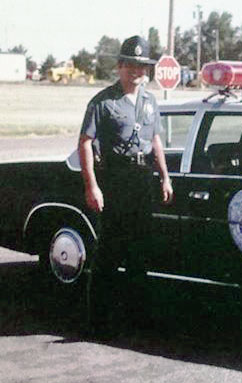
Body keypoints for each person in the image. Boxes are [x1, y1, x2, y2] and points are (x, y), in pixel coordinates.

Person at [78, 35, 173, 335]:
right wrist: (92, 186)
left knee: (139, 251)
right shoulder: (102, 102)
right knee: (109, 251)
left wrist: (165, 176)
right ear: (119, 66)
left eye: (143, 67)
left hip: (142, 180)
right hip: (116, 180)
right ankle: (98, 322)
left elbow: (155, 139)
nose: (137, 72)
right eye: (131, 65)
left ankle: (137, 320)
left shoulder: (149, 101)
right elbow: (85, 143)